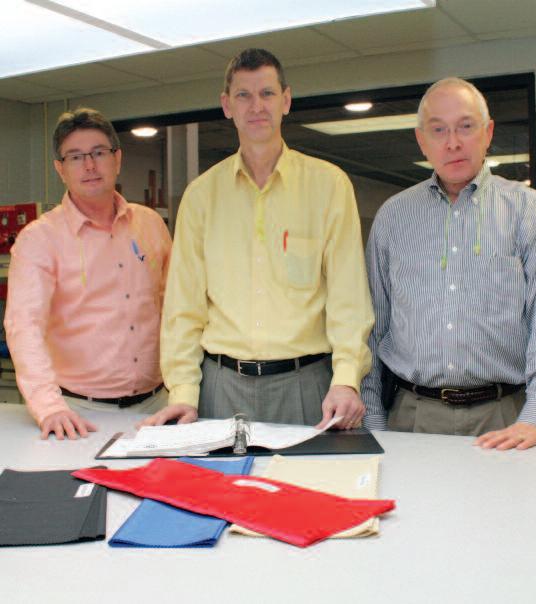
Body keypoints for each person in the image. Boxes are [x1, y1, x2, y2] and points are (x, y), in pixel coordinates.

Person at [144, 48, 373, 430]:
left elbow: (348, 299)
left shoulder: (329, 186)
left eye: (267, 93)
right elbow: (183, 308)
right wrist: (183, 392)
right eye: (243, 95)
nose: (256, 107)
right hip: (221, 387)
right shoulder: (201, 196)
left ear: (286, 100)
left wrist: (346, 379)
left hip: (307, 387)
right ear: (227, 105)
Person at [362, 77, 536, 450]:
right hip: (411, 418)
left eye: (465, 126)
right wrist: (373, 419)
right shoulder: (394, 217)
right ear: (421, 141)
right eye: (438, 130)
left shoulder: (531, 212)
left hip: (504, 419)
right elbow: (373, 327)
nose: (453, 142)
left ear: (487, 132)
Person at [5, 108, 171, 440]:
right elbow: (24, 327)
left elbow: (174, 308)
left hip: (158, 406)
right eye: (76, 157)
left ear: (117, 158)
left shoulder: (150, 224)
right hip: (79, 414)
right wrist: (48, 407)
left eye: (98, 153)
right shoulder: (39, 239)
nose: (90, 166)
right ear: (60, 168)